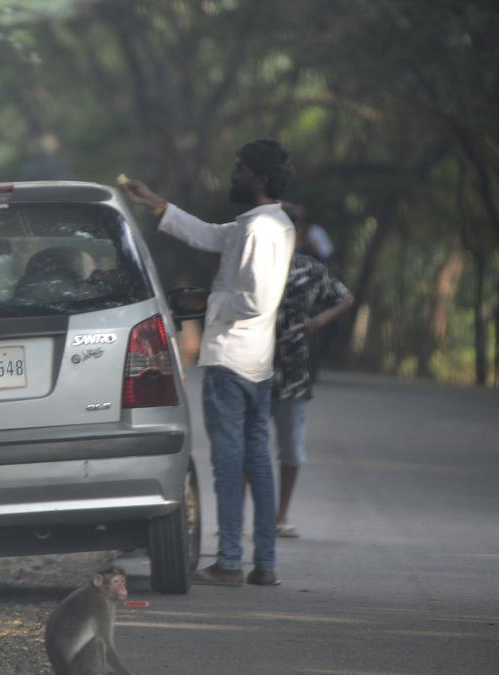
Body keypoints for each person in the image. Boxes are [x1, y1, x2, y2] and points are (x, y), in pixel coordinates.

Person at [119, 139, 296, 587]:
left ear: (257, 177)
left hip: (231, 360)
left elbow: (257, 300)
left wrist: (206, 303)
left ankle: (231, 563)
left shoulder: (258, 231)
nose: (233, 176)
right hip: (256, 361)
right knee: (257, 461)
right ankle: (265, 563)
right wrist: (157, 204)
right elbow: (209, 235)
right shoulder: (267, 223)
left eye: (239, 169)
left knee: (228, 462)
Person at [273, 202, 354, 538]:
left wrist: (319, 320)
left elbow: (345, 298)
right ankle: (239, 519)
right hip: (253, 366)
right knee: (248, 444)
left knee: (291, 446)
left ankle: (281, 516)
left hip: (293, 367)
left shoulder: (309, 268)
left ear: (300, 235)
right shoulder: (254, 266)